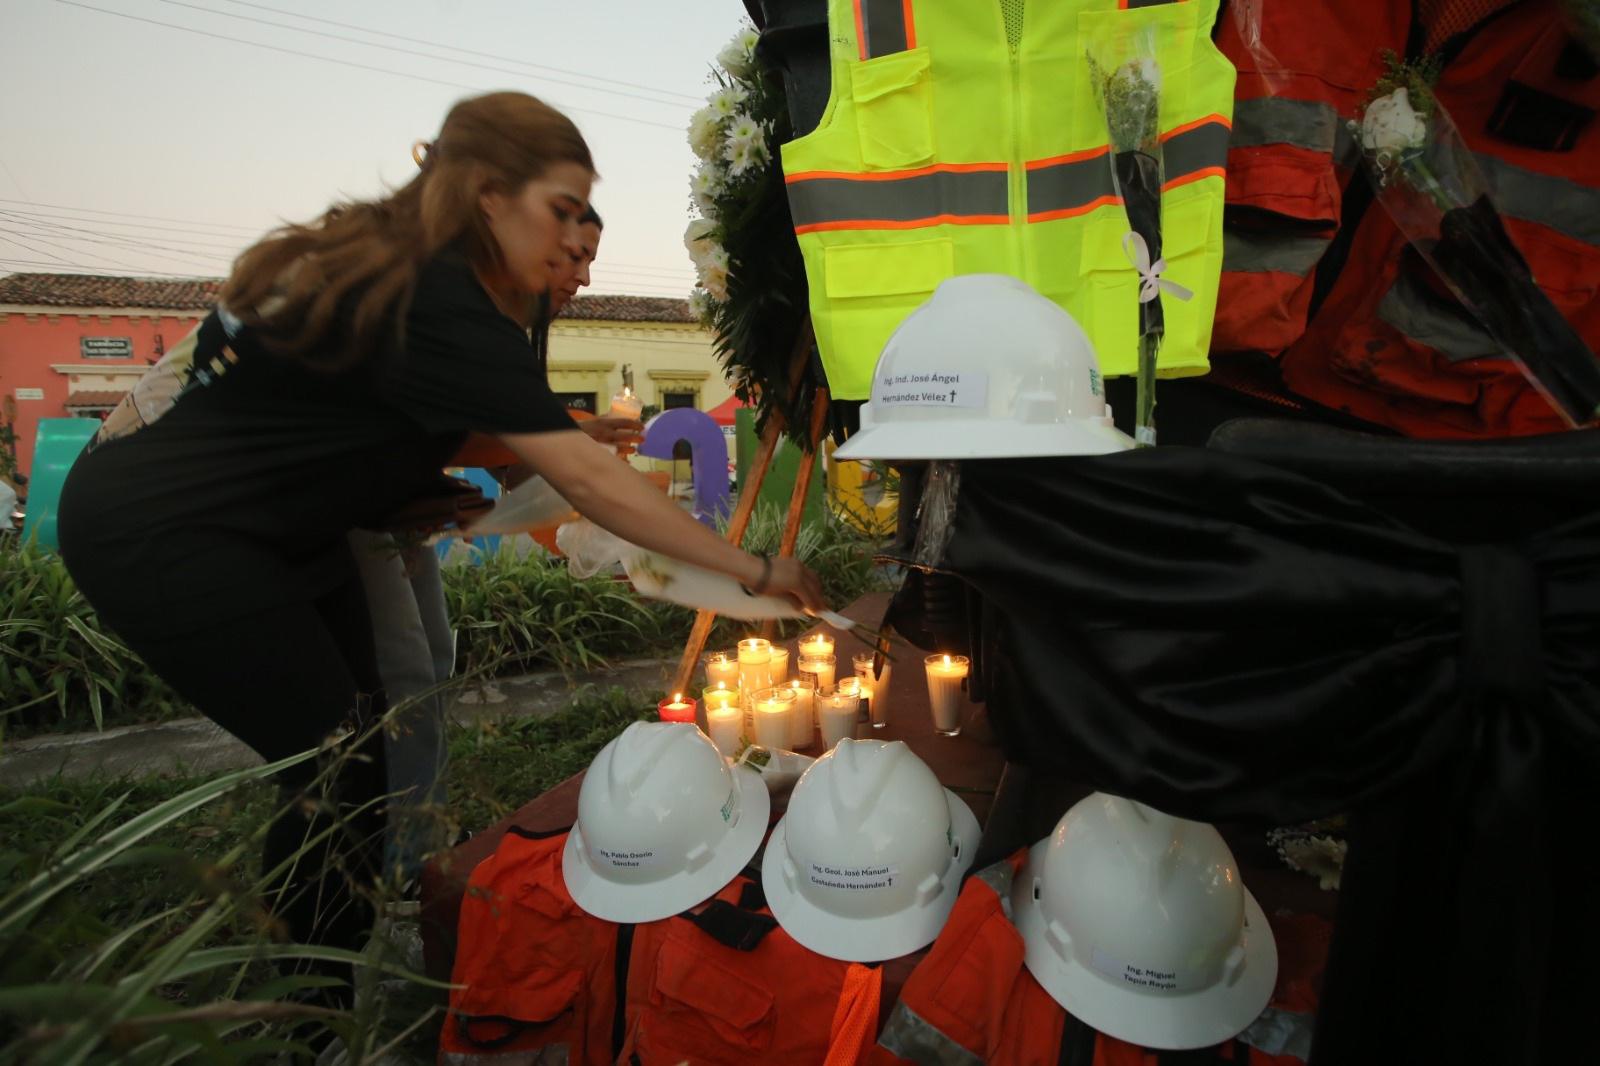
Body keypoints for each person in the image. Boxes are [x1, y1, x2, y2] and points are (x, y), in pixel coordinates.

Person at [54, 91, 825, 985]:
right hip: (169, 528)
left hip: (286, 527)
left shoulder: (447, 286)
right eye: (560, 211)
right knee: (332, 758)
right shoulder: (437, 292)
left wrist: (406, 488)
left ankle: (350, 943)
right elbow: (584, 477)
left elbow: (342, 422)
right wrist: (753, 567)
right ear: (488, 196)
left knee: (366, 738)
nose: (572, 242)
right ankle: (313, 1002)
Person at [351, 201, 626, 887]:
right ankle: (406, 865)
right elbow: (446, 429)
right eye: (575, 257)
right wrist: (571, 439)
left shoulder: (505, 328)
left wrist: (599, 538)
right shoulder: (448, 306)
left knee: (432, 658)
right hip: (342, 498)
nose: (584, 278)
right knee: (403, 675)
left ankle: (416, 826)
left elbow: (510, 461)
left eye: (591, 260)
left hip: (394, 500)